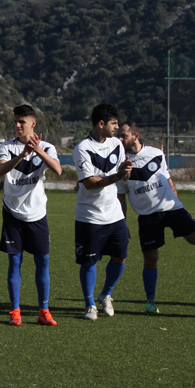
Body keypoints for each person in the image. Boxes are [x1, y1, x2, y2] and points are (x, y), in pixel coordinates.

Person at [116, 122, 195, 313]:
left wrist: (176, 198)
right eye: (119, 136)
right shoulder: (121, 163)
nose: (120, 139)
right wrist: (122, 223)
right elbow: (121, 196)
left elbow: (167, 177)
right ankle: (150, 302)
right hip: (147, 217)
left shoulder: (155, 153)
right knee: (150, 259)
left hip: (172, 209)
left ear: (136, 136)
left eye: (123, 135)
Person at [0, 104, 62, 326]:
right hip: (12, 213)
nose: (17, 125)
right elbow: (0, 171)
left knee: (42, 261)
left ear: (33, 124)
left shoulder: (48, 147)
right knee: (14, 262)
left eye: (22, 122)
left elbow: (58, 170)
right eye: (15, 121)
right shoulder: (6, 147)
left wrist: (37, 151)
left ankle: (44, 311)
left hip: (37, 214)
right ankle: (15, 311)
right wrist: (22, 155)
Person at [72, 103, 133, 320]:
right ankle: (90, 304)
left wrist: (126, 172)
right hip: (90, 216)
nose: (117, 127)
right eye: (113, 123)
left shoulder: (117, 144)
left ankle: (105, 294)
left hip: (114, 214)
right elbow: (89, 183)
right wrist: (118, 176)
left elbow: (122, 177)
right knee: (89, 262)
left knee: (121, 256)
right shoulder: (82, 148)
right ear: (101, 124)